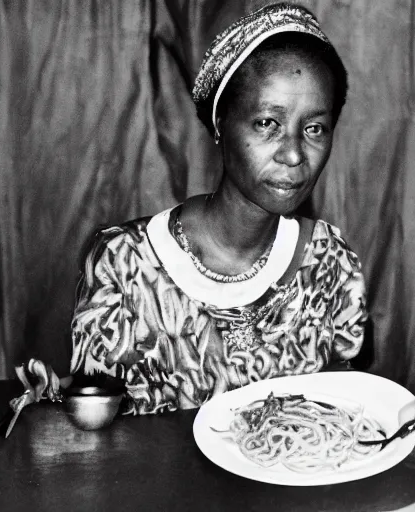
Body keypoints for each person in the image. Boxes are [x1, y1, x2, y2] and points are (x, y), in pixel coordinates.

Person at [68, 3, 364, 414]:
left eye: (314, 128)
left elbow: (347, 408)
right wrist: (58, 399)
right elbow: (95, 424)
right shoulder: (124, 263)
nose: (294, 154)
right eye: (267, 123)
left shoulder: (329, 260)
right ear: (221, 123)